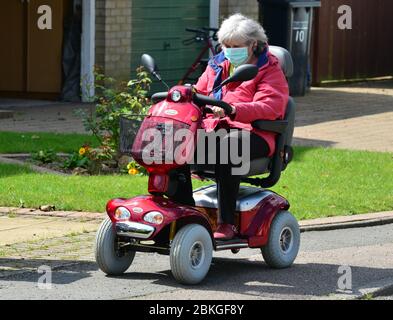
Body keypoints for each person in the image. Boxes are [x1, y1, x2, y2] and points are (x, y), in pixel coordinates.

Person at [171, 13, 289, 240]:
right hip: (218, 130)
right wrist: (187, 97)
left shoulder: (269, 70)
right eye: (225, 45)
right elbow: (201, 92)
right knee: (175, 142)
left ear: (253, 45)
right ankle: (185, 211)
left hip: (255, 133)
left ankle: (226, 224)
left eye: (236, 46)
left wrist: (234, 109)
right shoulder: (217, 65)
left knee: (228, 147)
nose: (229, 50)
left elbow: (270, 106)